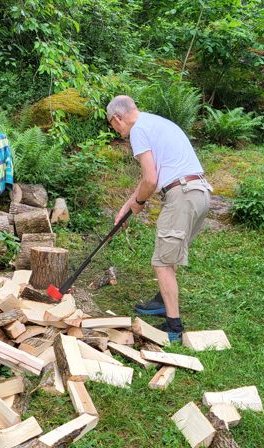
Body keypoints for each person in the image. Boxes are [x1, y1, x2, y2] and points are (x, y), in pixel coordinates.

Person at [107, 95, 211, 341]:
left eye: (113, 126)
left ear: (116, 119)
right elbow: (150, 179)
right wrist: (129, 205)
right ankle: (161, 301)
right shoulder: (154, 123)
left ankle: (174, 327)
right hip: (199, 193)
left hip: (182, 195)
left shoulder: (137, 132)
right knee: (169, 253)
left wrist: (140, 202)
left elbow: (151, 180)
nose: (116, 131)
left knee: (162, 262)